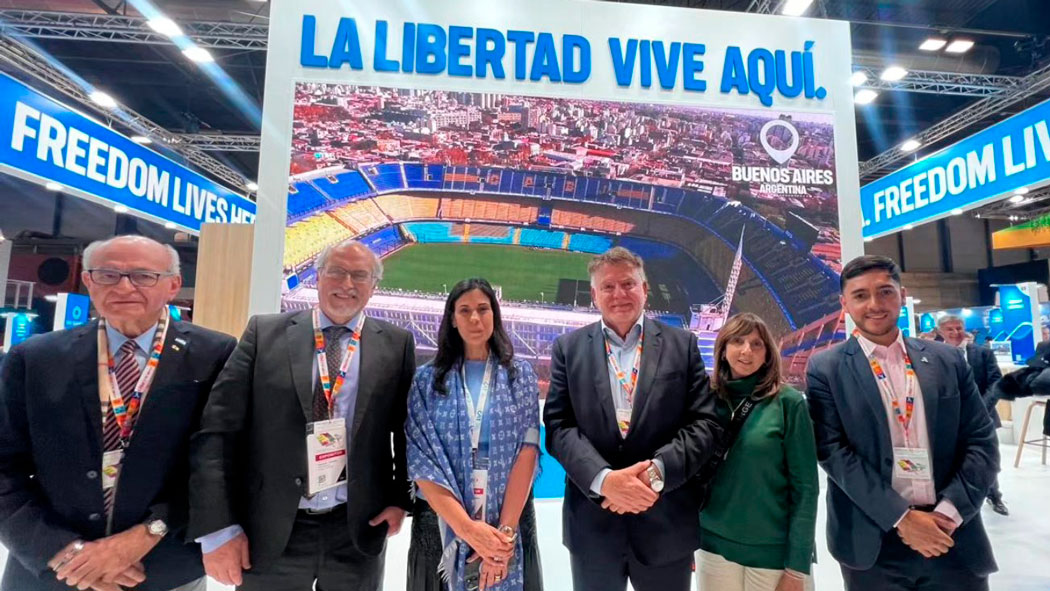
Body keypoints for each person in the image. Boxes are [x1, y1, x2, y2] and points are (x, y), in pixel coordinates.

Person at [0, 236, 237, 591]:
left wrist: (149, 531)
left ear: (173, 285)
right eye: (108, 275)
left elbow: (220, 461)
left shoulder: (215, 354)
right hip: (53, 570)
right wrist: (61, 552)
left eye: (144, 276)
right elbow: (5, 466)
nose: (124, 287)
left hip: (163, 567)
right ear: (88, 281)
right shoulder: (34, 359)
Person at [189, 239, 416, 591]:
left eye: (360, 275)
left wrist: (400, 498)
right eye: (336, 272)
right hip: (270, 528)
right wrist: (218, 530)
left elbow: (405, 432)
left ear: (374, 285)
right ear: (318, 276)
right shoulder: (264, 334)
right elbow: (218, 430)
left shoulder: (396, 343)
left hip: (357, 530)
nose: (347, 284)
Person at [807, 255, 998, 591]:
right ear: (844, 304)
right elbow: (833, 452)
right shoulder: (826, 368)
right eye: (860, 295)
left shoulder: (948, 360)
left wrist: (948, 514)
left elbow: (980, 440)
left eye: (885, 292)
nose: (874, 304)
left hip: (952, 534)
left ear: (902, 295)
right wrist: (902, 518)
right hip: (873, 541)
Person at [543, 247, 721, 591]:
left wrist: (655, 474)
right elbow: (559, 427)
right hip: (593, 527)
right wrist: (604, 480)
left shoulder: (682, 345)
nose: (619, 294)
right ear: (594, 295)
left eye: (628, 284)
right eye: (608, 287)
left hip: (665, 524)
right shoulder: (568, 348)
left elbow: (704, 424)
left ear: (645, 288)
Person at [405, 278, 542, 591]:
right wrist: (467, 530)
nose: (475, 318)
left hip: (508, 522)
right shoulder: (426, 381)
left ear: (495, 314)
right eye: (464, 311)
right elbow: (421, 462)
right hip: (441, 525)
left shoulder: (519, 376)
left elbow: (528, 451)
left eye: (483, 309)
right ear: (452, 319)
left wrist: (503, 538)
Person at [697, 313, 818, 591]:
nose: (746, 350)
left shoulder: (788, 403)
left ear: (767, 354)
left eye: (756, 344)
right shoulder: (706, 400)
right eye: (737, 341)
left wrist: (797, 568)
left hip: (773, 554)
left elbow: (806, 488)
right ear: (723, 349)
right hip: (712, 546)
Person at [937, 314, 1007, 516]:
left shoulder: (983, 353)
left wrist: (981, 408)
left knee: (987, 458)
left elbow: (996, 382)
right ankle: (954, 500)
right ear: (941, 332)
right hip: (950, 419)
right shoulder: (934, 354)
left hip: (983, 417)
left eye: (959, 328)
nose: (955, 332)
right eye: (950, 329)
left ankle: (994, 495)